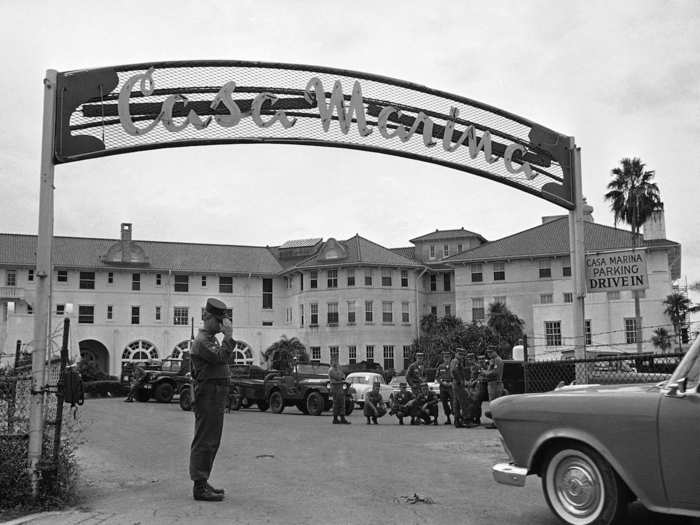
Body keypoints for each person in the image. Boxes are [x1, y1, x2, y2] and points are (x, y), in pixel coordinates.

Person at [189, 298, 236, 502]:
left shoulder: (211, 338)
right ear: (206, 317)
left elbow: (224, 358)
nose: (220, 325)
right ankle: (199, 486)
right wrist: (229, 336)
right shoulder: (203, 341)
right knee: (205, 440)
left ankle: (203, 480)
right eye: (218, 321)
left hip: (214, 393)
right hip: (208, 393)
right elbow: (221, 358)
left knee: (212, 440)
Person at [450, 348, 477, 428]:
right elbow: (454, 371)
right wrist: (459, 380)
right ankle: (467, 420)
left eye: (462, 355)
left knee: (457, 403)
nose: (462, 356)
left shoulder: (455, 361)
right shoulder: (456, 361)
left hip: (456, 384)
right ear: (457, 354)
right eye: (460, 354)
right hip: (458, 384)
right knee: (464, 402)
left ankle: (457, 420)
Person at [483, 346, 504, 429]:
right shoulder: (493, 360)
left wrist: (485, 372)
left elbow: (495, 373)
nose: (489, 354)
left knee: (495, 403)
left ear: (495, 352)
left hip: (496, 384)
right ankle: (495, 421)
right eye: (488, 352)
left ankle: (496, 422)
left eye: (490, 352)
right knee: (492, 403)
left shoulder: (498, 360)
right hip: (492, 384)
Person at [329, 356, 350, 424]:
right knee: (336, 403)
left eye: (336, 361)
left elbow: (343, 375)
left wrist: (341, 376)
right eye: (334, 361)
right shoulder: (331, 370)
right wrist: (341, 376)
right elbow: (338, 377)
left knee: (342, 403)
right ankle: (335, 418)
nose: (336, 362)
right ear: (331, 362)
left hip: (340, 387)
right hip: (335, 387)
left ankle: (342, 417)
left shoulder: (338, 369)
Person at [434, 350, 453, 424]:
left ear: (450, 357)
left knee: (453, 402)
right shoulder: (440, 366)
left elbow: (457, 376)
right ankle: (448, 418)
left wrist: (452, 383)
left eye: (448, 357)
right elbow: (437, 377)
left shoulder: (453, 365)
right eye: (445, 357)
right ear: (443, 358)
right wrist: (442, 382)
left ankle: (456, 418)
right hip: (443, 387)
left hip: (451, 386)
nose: (446, 358)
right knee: (444, 403)